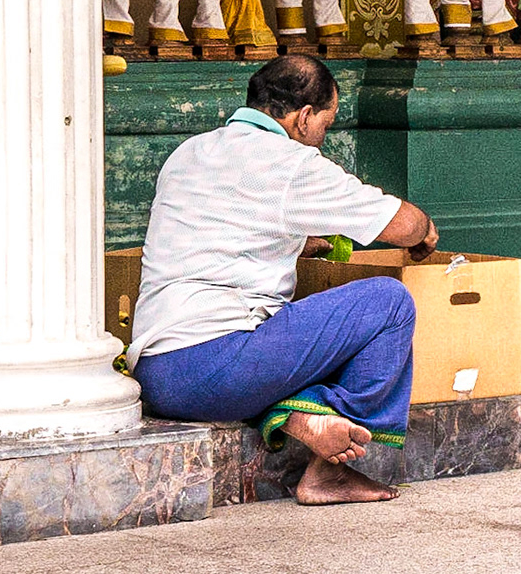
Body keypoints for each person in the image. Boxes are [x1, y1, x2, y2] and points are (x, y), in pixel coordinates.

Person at [127, 56, 440, 506]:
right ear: (305, 116)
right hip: (219, 368)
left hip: (157, 374)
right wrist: (424, 228)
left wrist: (293, 243)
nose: (321, 139)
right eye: (326, 125)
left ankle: (294, 416)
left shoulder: (189, 152)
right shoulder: (291, 163)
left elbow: (222, 234)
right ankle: (328, 471)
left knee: (288, 324)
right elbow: (402, 226)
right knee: (388, 302)